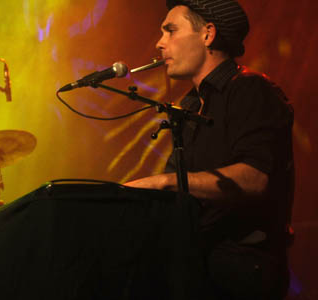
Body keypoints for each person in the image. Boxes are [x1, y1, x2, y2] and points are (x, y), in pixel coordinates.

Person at [125, 0, 294, 298]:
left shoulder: (250, 89)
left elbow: (256, 178)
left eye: (170, 31)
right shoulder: (190, 105)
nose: (159, 43)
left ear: (208, 34)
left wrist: (166, 182)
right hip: (200, 269)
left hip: (242, 274)